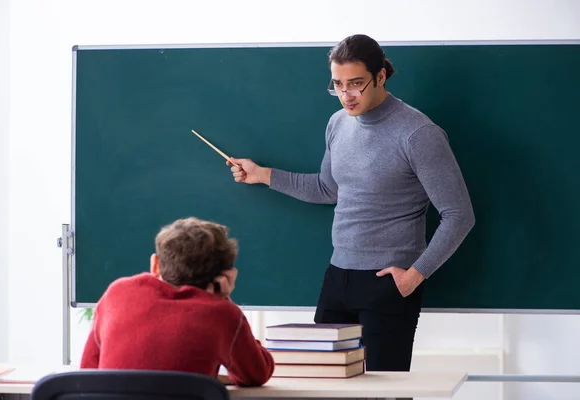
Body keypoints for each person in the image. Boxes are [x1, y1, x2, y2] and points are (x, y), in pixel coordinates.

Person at [226, 34, 475, 372]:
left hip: (388, 283)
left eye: (356, 84)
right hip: (338, 275)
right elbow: (327, 189)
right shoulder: (337, 123)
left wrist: (414, 276)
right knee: (322, 384)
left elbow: (459, 215)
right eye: (338, 85)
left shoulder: (418, 133)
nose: (346, 95)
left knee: (382, 393)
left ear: (380, 77)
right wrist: (262, 175)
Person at [80, 217, 275, 386]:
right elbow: (256, 374)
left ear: (155, 264)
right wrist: (223, 298)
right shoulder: (223, 314)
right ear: (223, 276)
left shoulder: (117, 293)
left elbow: (88, 370)